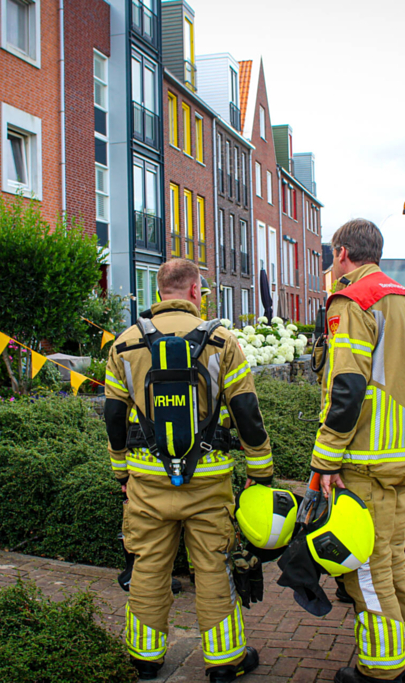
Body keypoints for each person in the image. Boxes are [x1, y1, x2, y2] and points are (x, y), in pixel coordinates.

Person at [104, 258, 274, 683]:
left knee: (147, 565)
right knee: (214, 566)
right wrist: (261, 472)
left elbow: (112, 417)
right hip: (209, 481)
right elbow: (246, 411)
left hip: (146, 481)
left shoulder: (124, 344)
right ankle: (224, 662)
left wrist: (121, 473)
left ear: (160, 292)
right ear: (196, 291)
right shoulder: (221, 341)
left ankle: (145, 659)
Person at [311, 219, 405, 683]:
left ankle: (379, 673)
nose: (331, 264)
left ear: (343, 252)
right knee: (391, 560)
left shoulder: (354, 301)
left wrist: (324, 458)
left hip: (364, 462)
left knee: (365, 571)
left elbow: (347, 387)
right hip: (403, 458)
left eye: (332, 255)